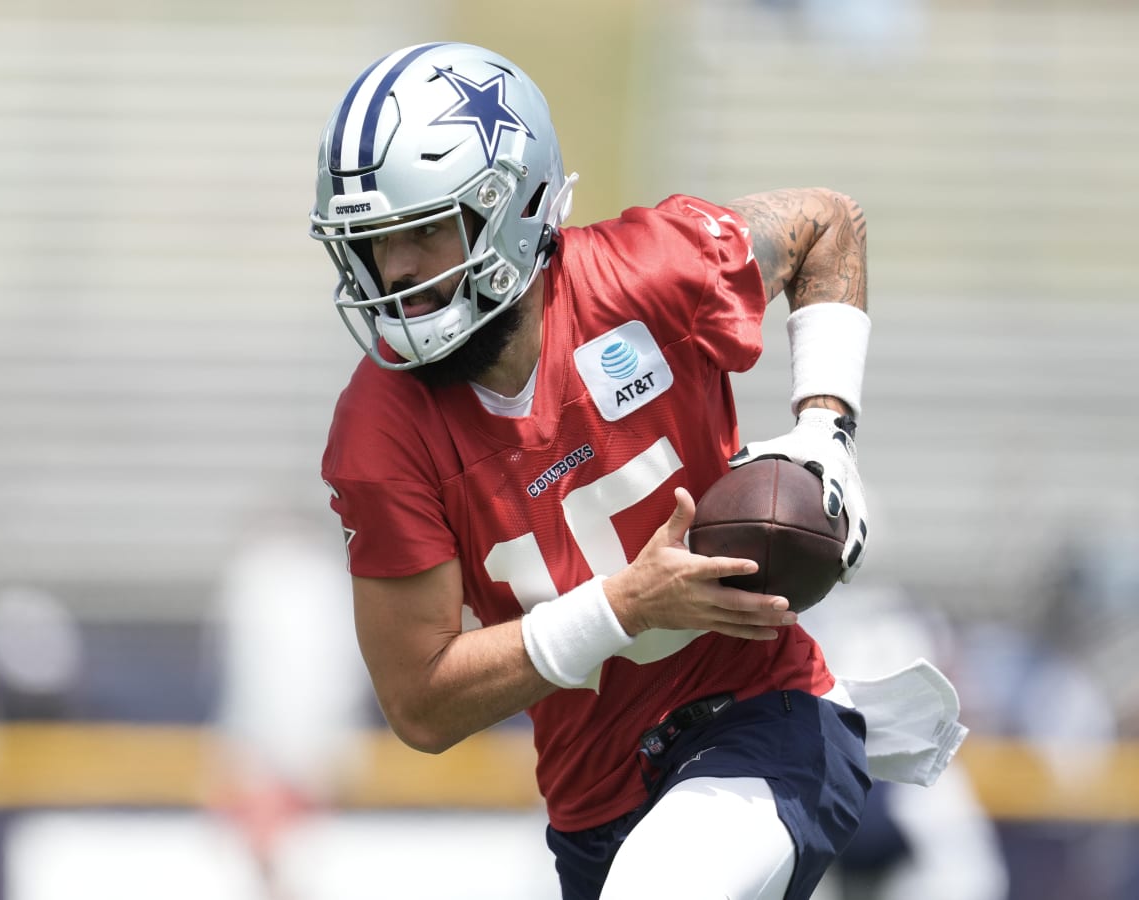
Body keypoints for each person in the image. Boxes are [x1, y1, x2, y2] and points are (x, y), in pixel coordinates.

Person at [309, 42, 963, 900]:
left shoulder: (646, 275)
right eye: (376, 243)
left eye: (424, 231)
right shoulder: (380, 430)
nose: (396, 274)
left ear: (512, 204)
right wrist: (622, 606)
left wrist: (825, 430)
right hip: (594, 804)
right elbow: (421, 703)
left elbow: (827, 223)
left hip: (767, 714)